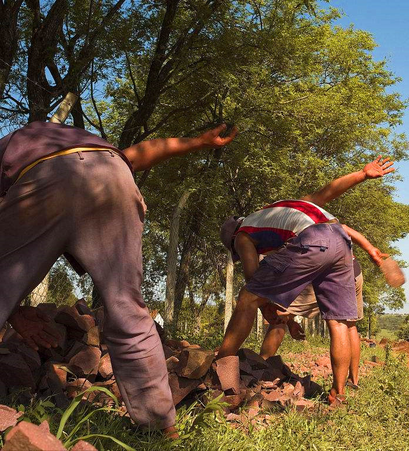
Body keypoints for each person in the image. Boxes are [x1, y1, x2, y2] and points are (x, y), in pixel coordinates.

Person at [0, 120, 238, 436]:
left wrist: (12, 306)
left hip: (45, 177)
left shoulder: (14, 144)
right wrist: (197, 141)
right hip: (111, 174)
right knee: (127, 309)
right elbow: (138, 154)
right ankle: (162, 428)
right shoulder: (89, 144)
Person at [217, 157, 394, 404]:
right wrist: (362, 175)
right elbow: (328, 191)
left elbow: (253, 280)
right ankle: (338, 394)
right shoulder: (285, 208)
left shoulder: (243, 233)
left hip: (313, 240)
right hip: (342, 243)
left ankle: (221, 367)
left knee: (247, 298)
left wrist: (268, 306)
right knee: (340, 322)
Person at [257, 225, 386, 390]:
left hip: (333, 271)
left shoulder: (283, 232)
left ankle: (263, 364)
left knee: (280, 310)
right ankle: (352, 382)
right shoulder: (316, 219)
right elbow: (344, 228)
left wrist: (288, 317)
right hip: (353, 270)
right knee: (348, 325)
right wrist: (370, 248)